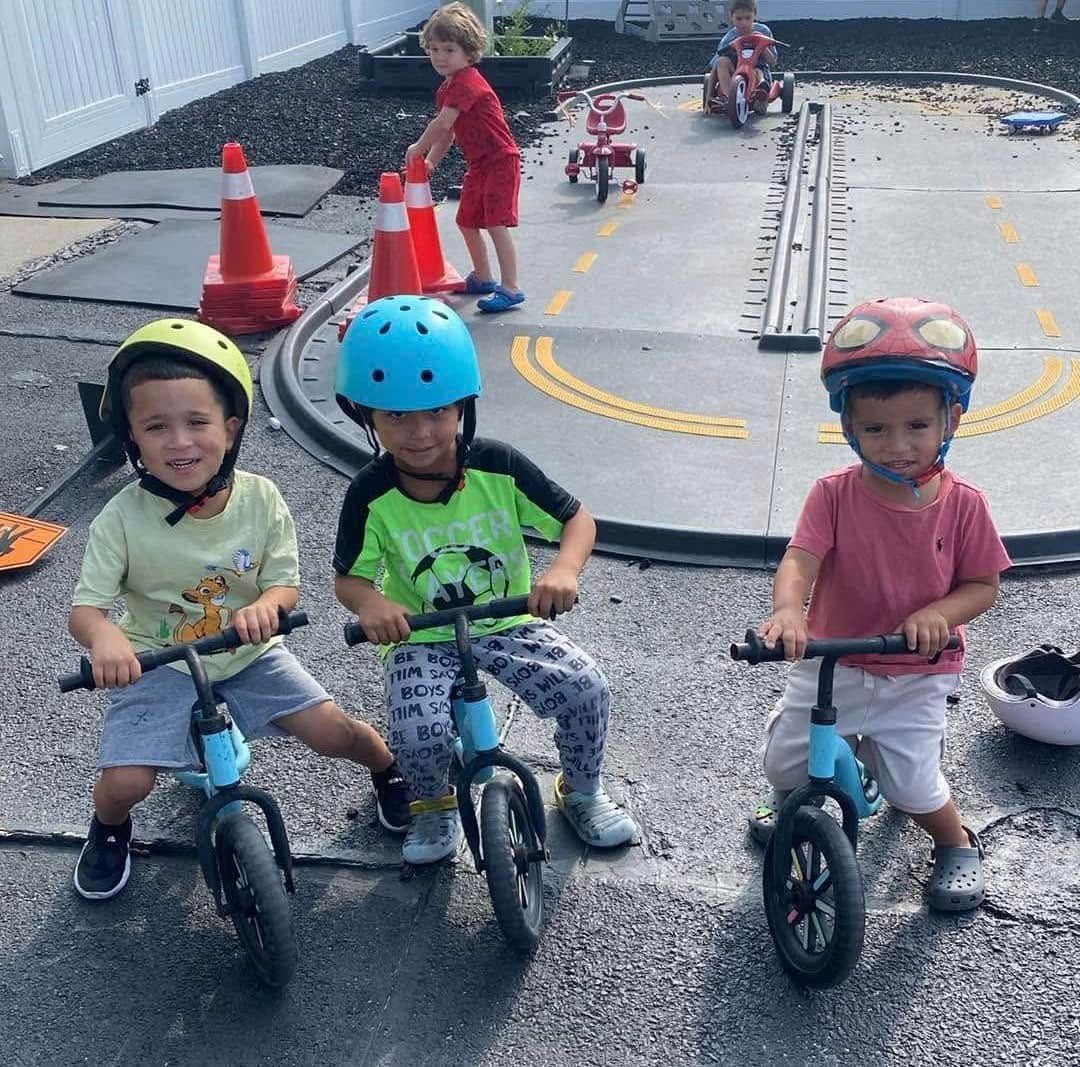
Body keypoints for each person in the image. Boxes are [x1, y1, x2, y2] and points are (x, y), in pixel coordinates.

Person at [69, 319, 410, 901]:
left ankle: (388, 770)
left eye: (197, 423)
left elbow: (284, 585)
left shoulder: (261, 499)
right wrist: (105, 640)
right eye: (156, 427)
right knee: (125, 781)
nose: (179, 442)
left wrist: (269, 608)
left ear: (230, 430)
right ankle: (107, 830)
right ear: (131, 437)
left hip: (250, 654)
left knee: (334, 733)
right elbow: (87, 609)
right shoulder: (121, 519)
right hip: (162, 661)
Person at [332, 296, 639, 865]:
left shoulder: (498, 466)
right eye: (395, 415)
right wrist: (371, 604)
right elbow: (348, 580)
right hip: (423, 635)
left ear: (463, 407)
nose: (419, 432)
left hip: (508, 620)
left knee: (586, 688)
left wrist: (563, 570)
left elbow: (578, 520)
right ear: (365, 415)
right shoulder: (370, 495)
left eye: (437, 411)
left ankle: (582, 789)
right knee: (417, 729)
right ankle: (433, 804)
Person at [748, 298, 1012, 912]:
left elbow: (983, 584)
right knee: (785, 761)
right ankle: (805, 795)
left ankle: (956, 842)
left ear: (951, 419)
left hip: (914, 671)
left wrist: (938, 616)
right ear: (850, 428)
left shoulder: (964, 505)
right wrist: (790, 610)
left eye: (917, 426)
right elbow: (800, 560)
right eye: (876, 430)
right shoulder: (833, 494)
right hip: (832, 658)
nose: (898, 446)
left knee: (913, 785)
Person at [406, 2, 524, 314]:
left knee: (496, 222)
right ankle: (484, 276)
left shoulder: (467, 83)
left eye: (449, 49)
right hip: (480, 165)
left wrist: (417, 148)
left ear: (469, 53)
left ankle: (510, 287)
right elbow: (448, 133)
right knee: (467, 220)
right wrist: (432, 160)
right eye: (433, 49)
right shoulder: (448, 89)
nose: (440, 57)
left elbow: (442, 124)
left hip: (500, 161)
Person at [704, 0, 778, 113]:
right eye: (739, 19)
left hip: (758, 72)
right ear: (731, 17)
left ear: (755, 15)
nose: (743, 23)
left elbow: (773, 62)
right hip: (736, 73)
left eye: (748, 18)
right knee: (722, 61)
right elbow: (715, 68)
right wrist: (708, 98)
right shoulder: (729, 38)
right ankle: (730, 99)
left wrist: (763, 46)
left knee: (757, 71)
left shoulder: (763, 31)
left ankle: (760, 94)